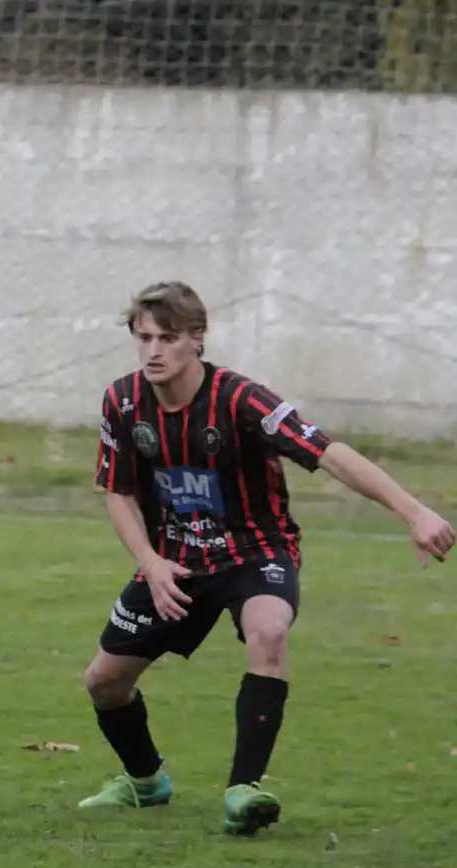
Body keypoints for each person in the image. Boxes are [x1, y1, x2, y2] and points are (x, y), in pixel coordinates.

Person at [80, 281, 453, 835]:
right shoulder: (124, 401)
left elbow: (329, 454)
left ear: (198, 340)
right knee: (104, 682)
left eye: (168, 338)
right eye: (144, 338)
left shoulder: (241, 400)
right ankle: (144, 781)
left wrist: (414, 511)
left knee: (269, 629)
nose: (154, 351)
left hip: (255, 552)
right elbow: (119, 491)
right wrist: (149, 561)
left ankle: (243, 790)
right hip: (177, 560)